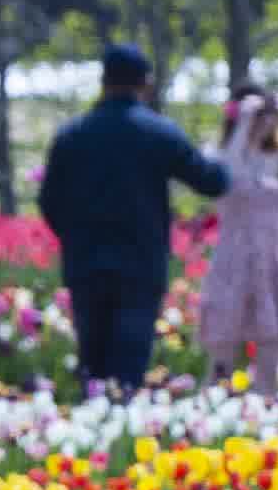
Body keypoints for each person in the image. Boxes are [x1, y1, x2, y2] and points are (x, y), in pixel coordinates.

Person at [37, 42, 228, 396]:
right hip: (140, 263)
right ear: (145, 83)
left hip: (87, 263)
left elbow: (49, 202)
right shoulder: (158, 133)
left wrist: (76, 236)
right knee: (128, 365)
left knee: (92, 365)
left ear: (103, 80)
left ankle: (91, 435)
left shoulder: (72, 136)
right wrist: (233, 144)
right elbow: (212, 181)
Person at [200, 82, 278, 383]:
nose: (265, 121)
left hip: (272, 257)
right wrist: (242, 125)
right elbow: (226, 177)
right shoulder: (218, 152)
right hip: (234, 256)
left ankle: (265, 400)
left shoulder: (276, 154)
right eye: (259, 115)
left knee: (271, 339)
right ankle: (216, 402)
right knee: (223, 346)